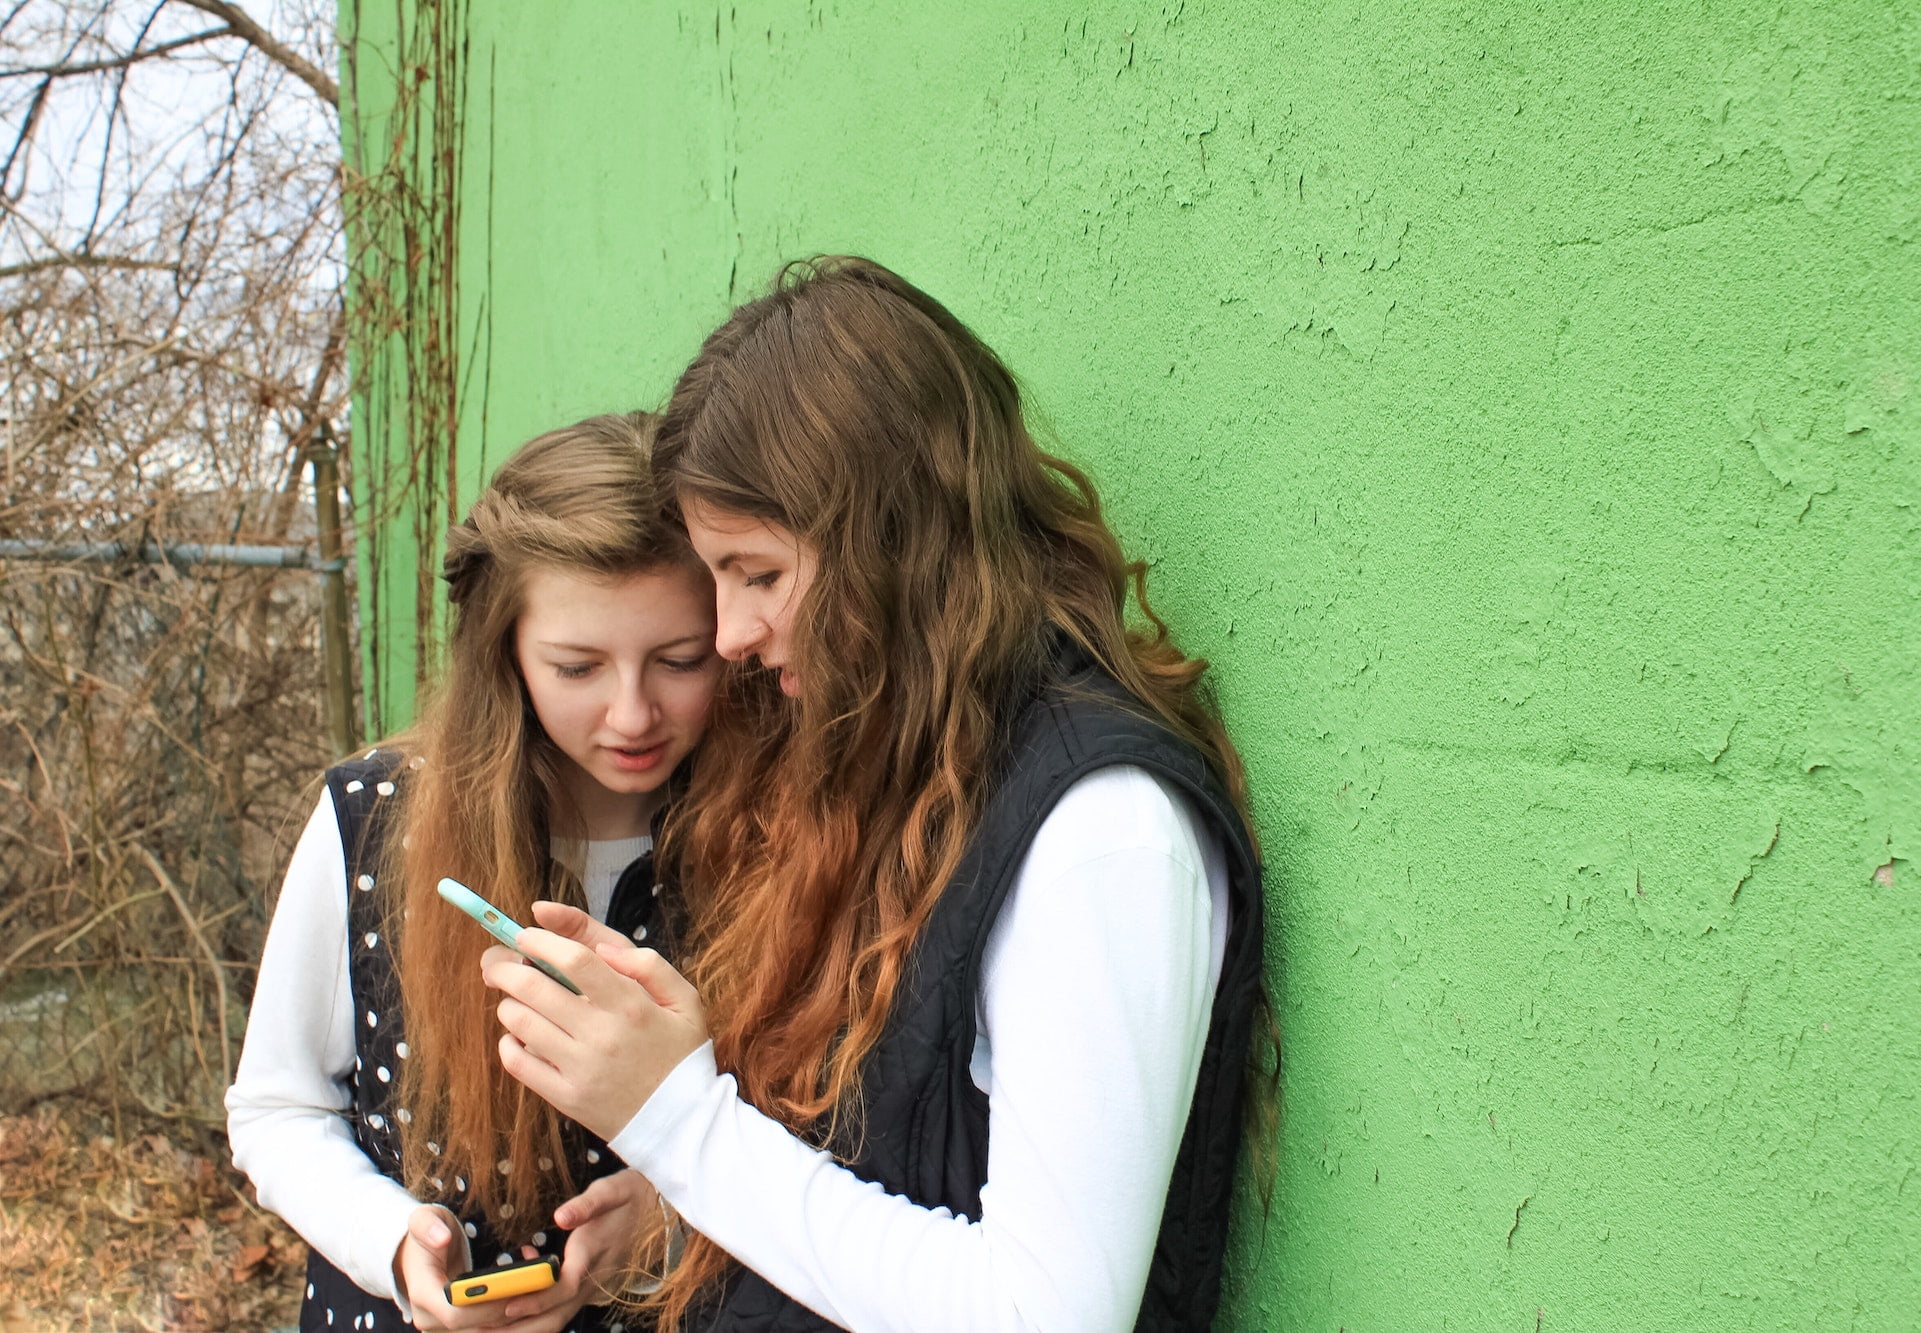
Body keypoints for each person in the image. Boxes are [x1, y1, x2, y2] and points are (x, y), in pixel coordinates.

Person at [482, 258, 1271, 1333]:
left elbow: (1043, 1313)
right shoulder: (916, 757)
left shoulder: (1101, 828)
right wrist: (683, 1202)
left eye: (757, 574)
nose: (729, 637)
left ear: (893, 540)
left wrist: (677, 1120)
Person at [226, 414, 722, 1333]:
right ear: (506, 652)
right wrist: (392, 1240)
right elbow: (275, 1108)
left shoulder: (774, 841)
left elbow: (831, 1133)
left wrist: (675, 1213)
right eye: (576, 666)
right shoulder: (377, 820)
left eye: (680, 660)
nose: (632, 712)